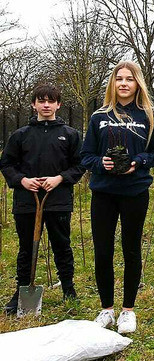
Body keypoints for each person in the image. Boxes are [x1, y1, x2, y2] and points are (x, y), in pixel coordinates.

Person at [81, 61, 154, 333]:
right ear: (113, 83)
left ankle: (128, 310)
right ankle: (106, 309)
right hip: (104, 193)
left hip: (134, 192)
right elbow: (86, 155)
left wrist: (139, 161)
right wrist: (100, 163)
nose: (124, 84)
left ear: (137, 83)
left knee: (131, 250)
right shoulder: (99, 117)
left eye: (130, 79)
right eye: (119, 79)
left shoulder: (149, 116)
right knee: (103, 251)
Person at [1, 84, 85, 315]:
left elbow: (80, 165)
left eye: (51, 101)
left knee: (62, 245)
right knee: (26, 248)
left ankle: (68, 289)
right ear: (34, 104)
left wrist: (60, 178)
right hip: (27, 202)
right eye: (41, 101)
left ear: (58, 104)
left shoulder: (70, 135)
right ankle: (21, 290)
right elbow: (6, 164)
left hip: (57, 200)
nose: (46, 105)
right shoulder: (20, 135)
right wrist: (22, 181)